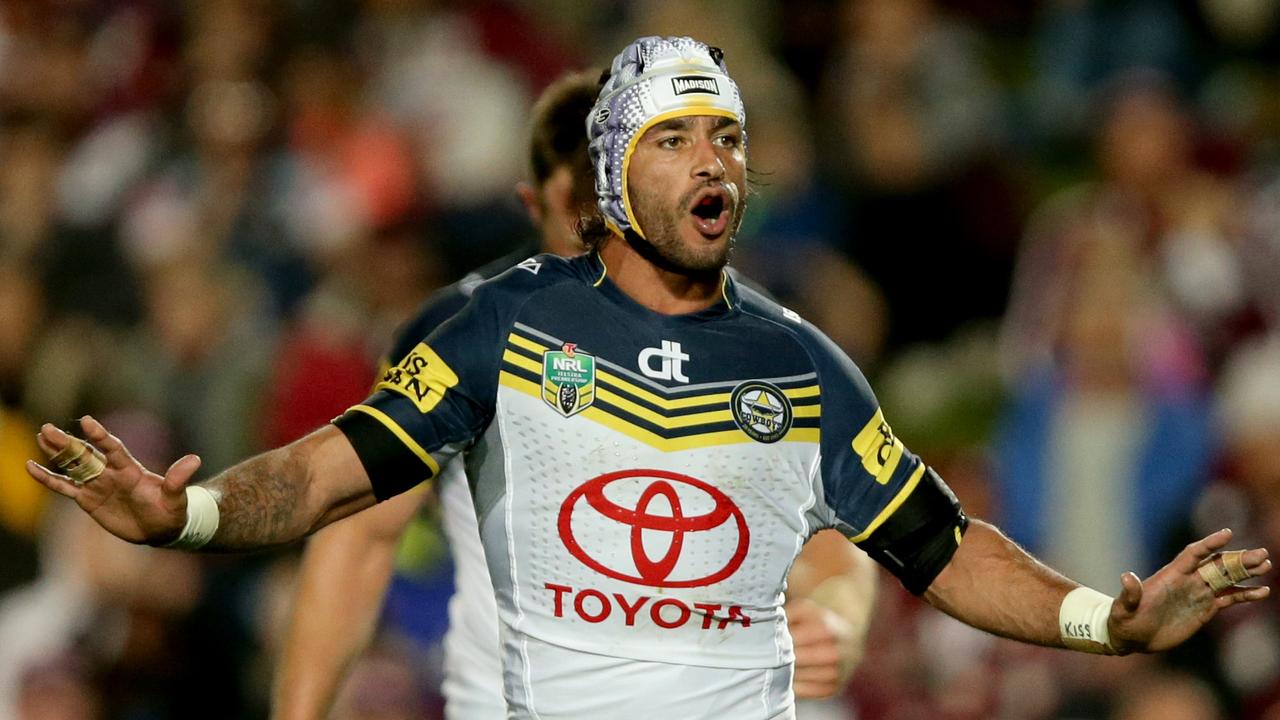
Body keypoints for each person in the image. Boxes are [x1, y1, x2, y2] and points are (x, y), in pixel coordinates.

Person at [27, 36, 1271, 720]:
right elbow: (320, 484)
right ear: (617, 174)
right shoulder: (496, 328)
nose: (709, 158)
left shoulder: (800, 367)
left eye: (725, 135)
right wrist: (182, 514)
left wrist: (1100, 621)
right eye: (674, 138)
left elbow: (944, 551)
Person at [272, 69, 876, 720]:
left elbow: (835, 533)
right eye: (581, 198)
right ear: (544, 203)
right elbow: (358, 538)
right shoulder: (467, 334)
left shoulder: (747, 340)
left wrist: (841, 621)